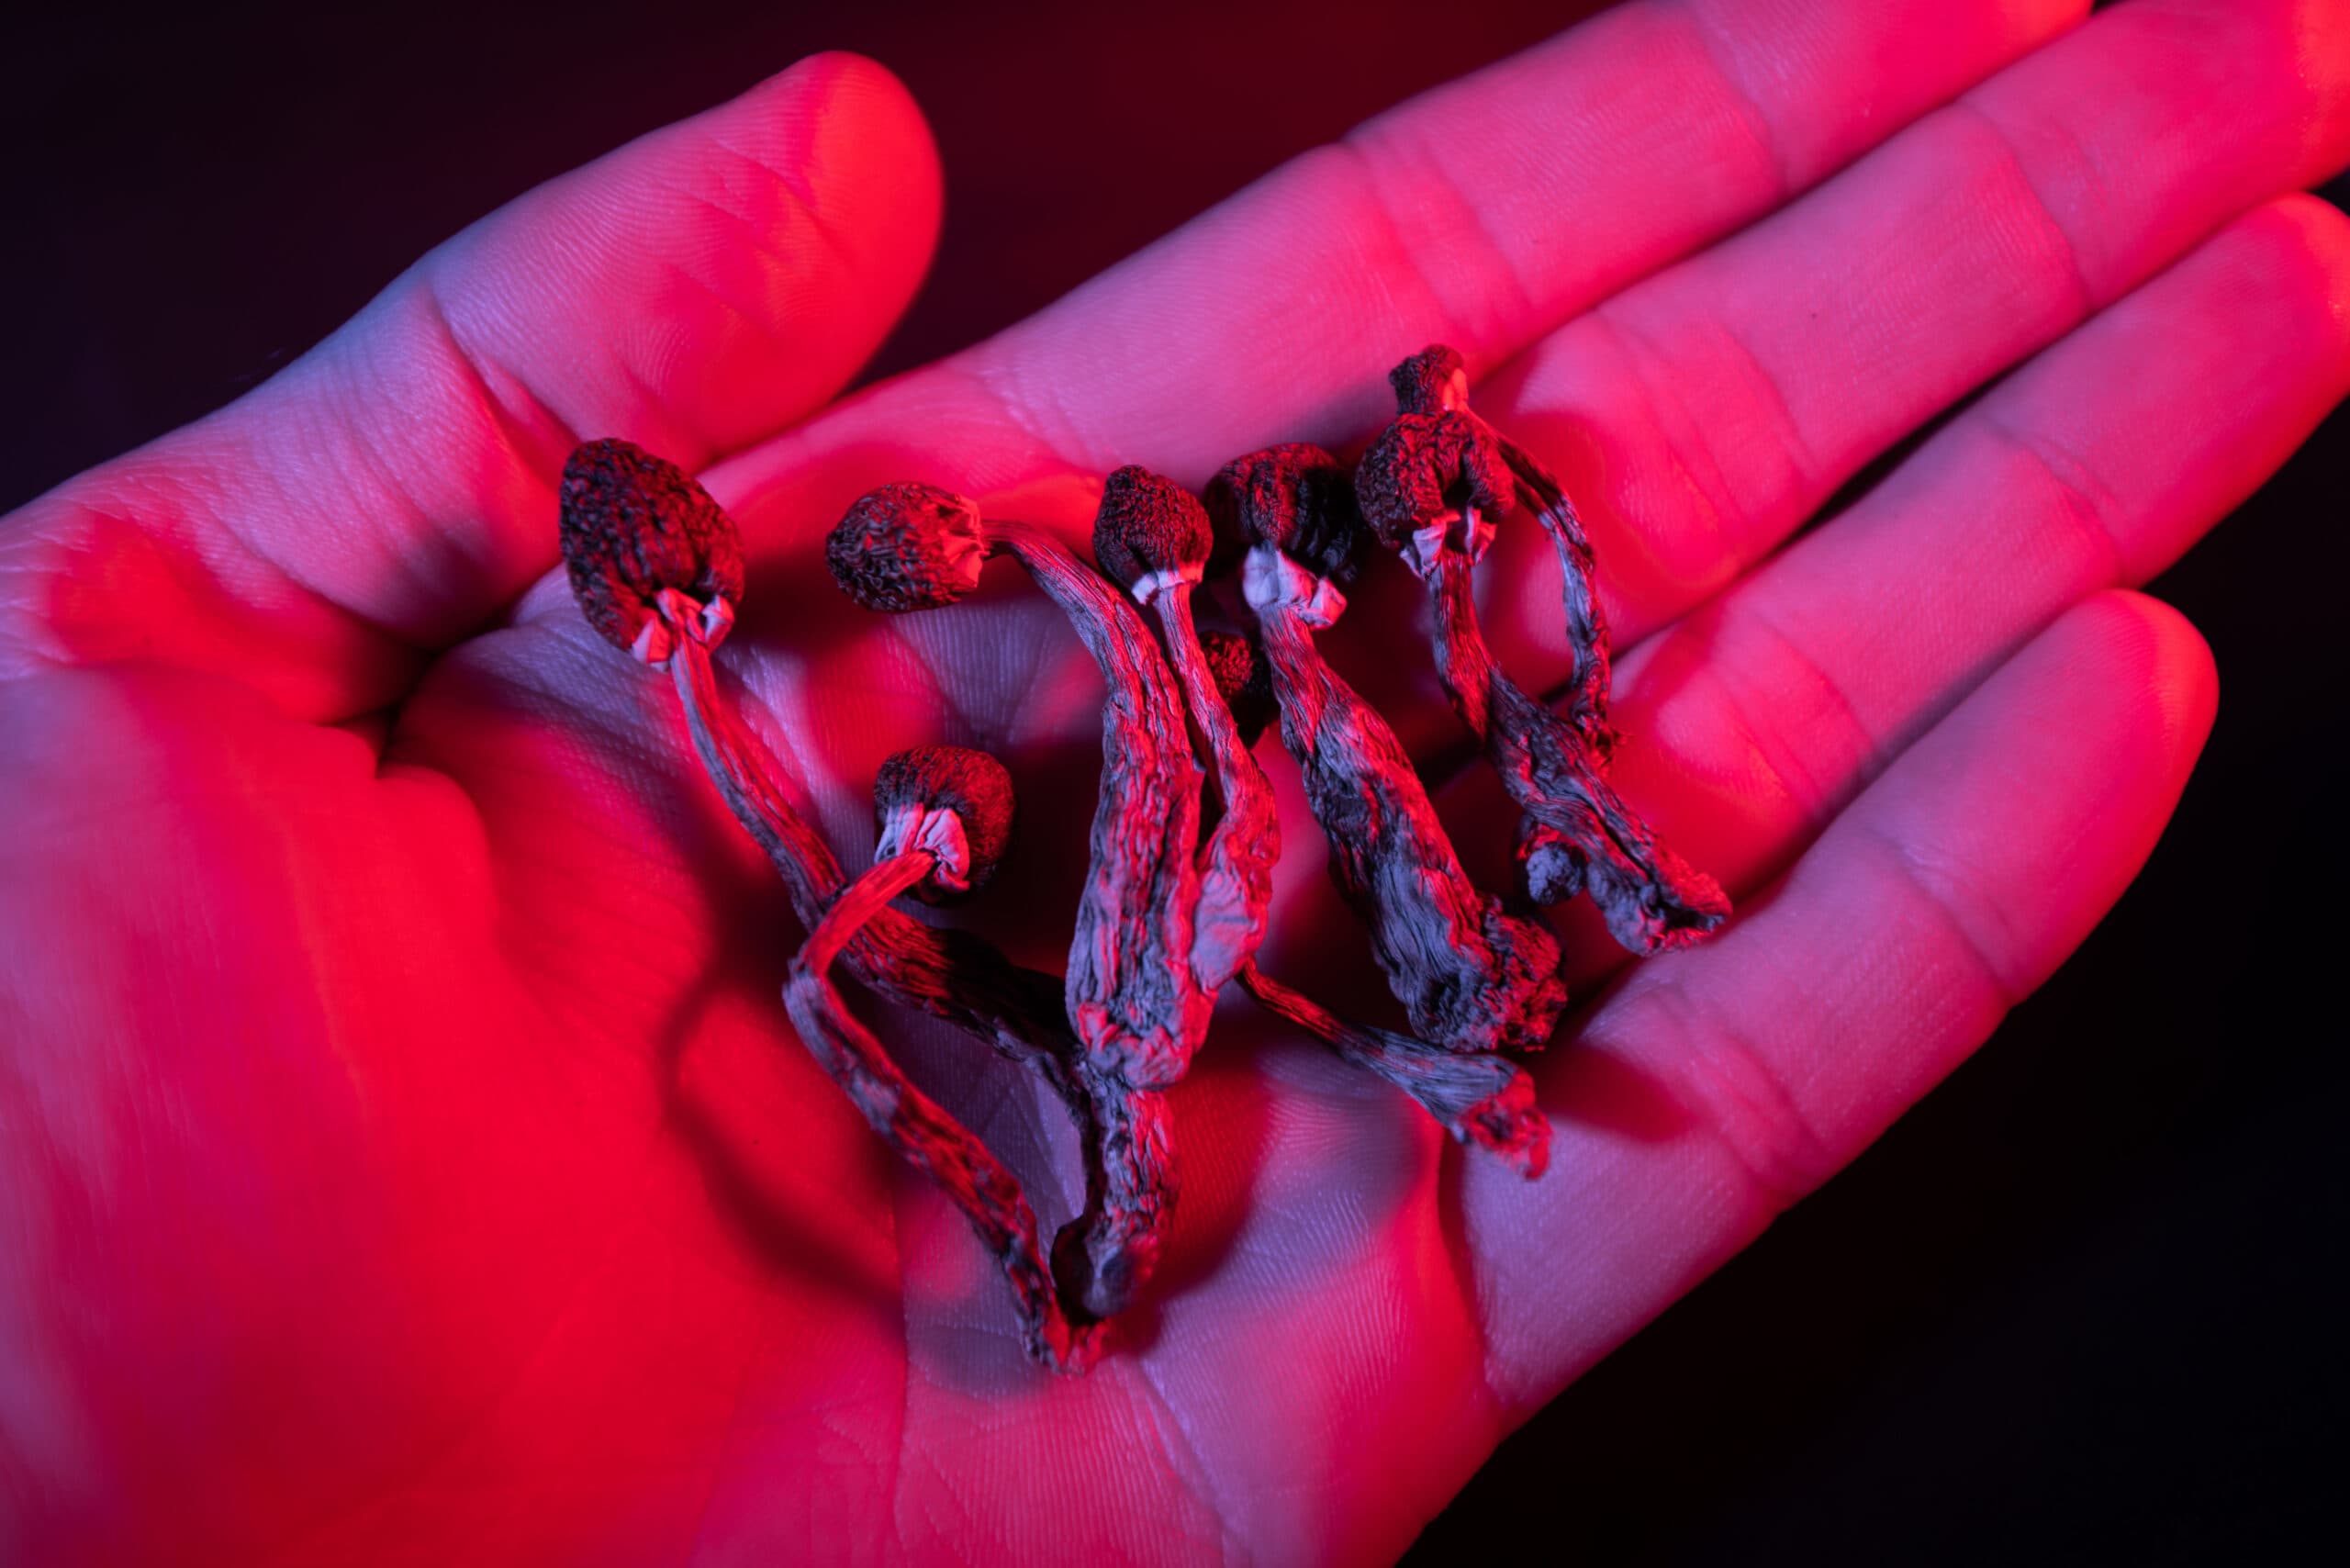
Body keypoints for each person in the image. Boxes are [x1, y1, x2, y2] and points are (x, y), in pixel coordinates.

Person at [2, 0, 2344, 1560]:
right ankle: (1380, 1028)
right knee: (1024, 981)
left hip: (1225, 732)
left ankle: (1437, 993)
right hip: (1133, 814)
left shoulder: (1218, 634)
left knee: (1265, 916)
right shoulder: (1028, 705)